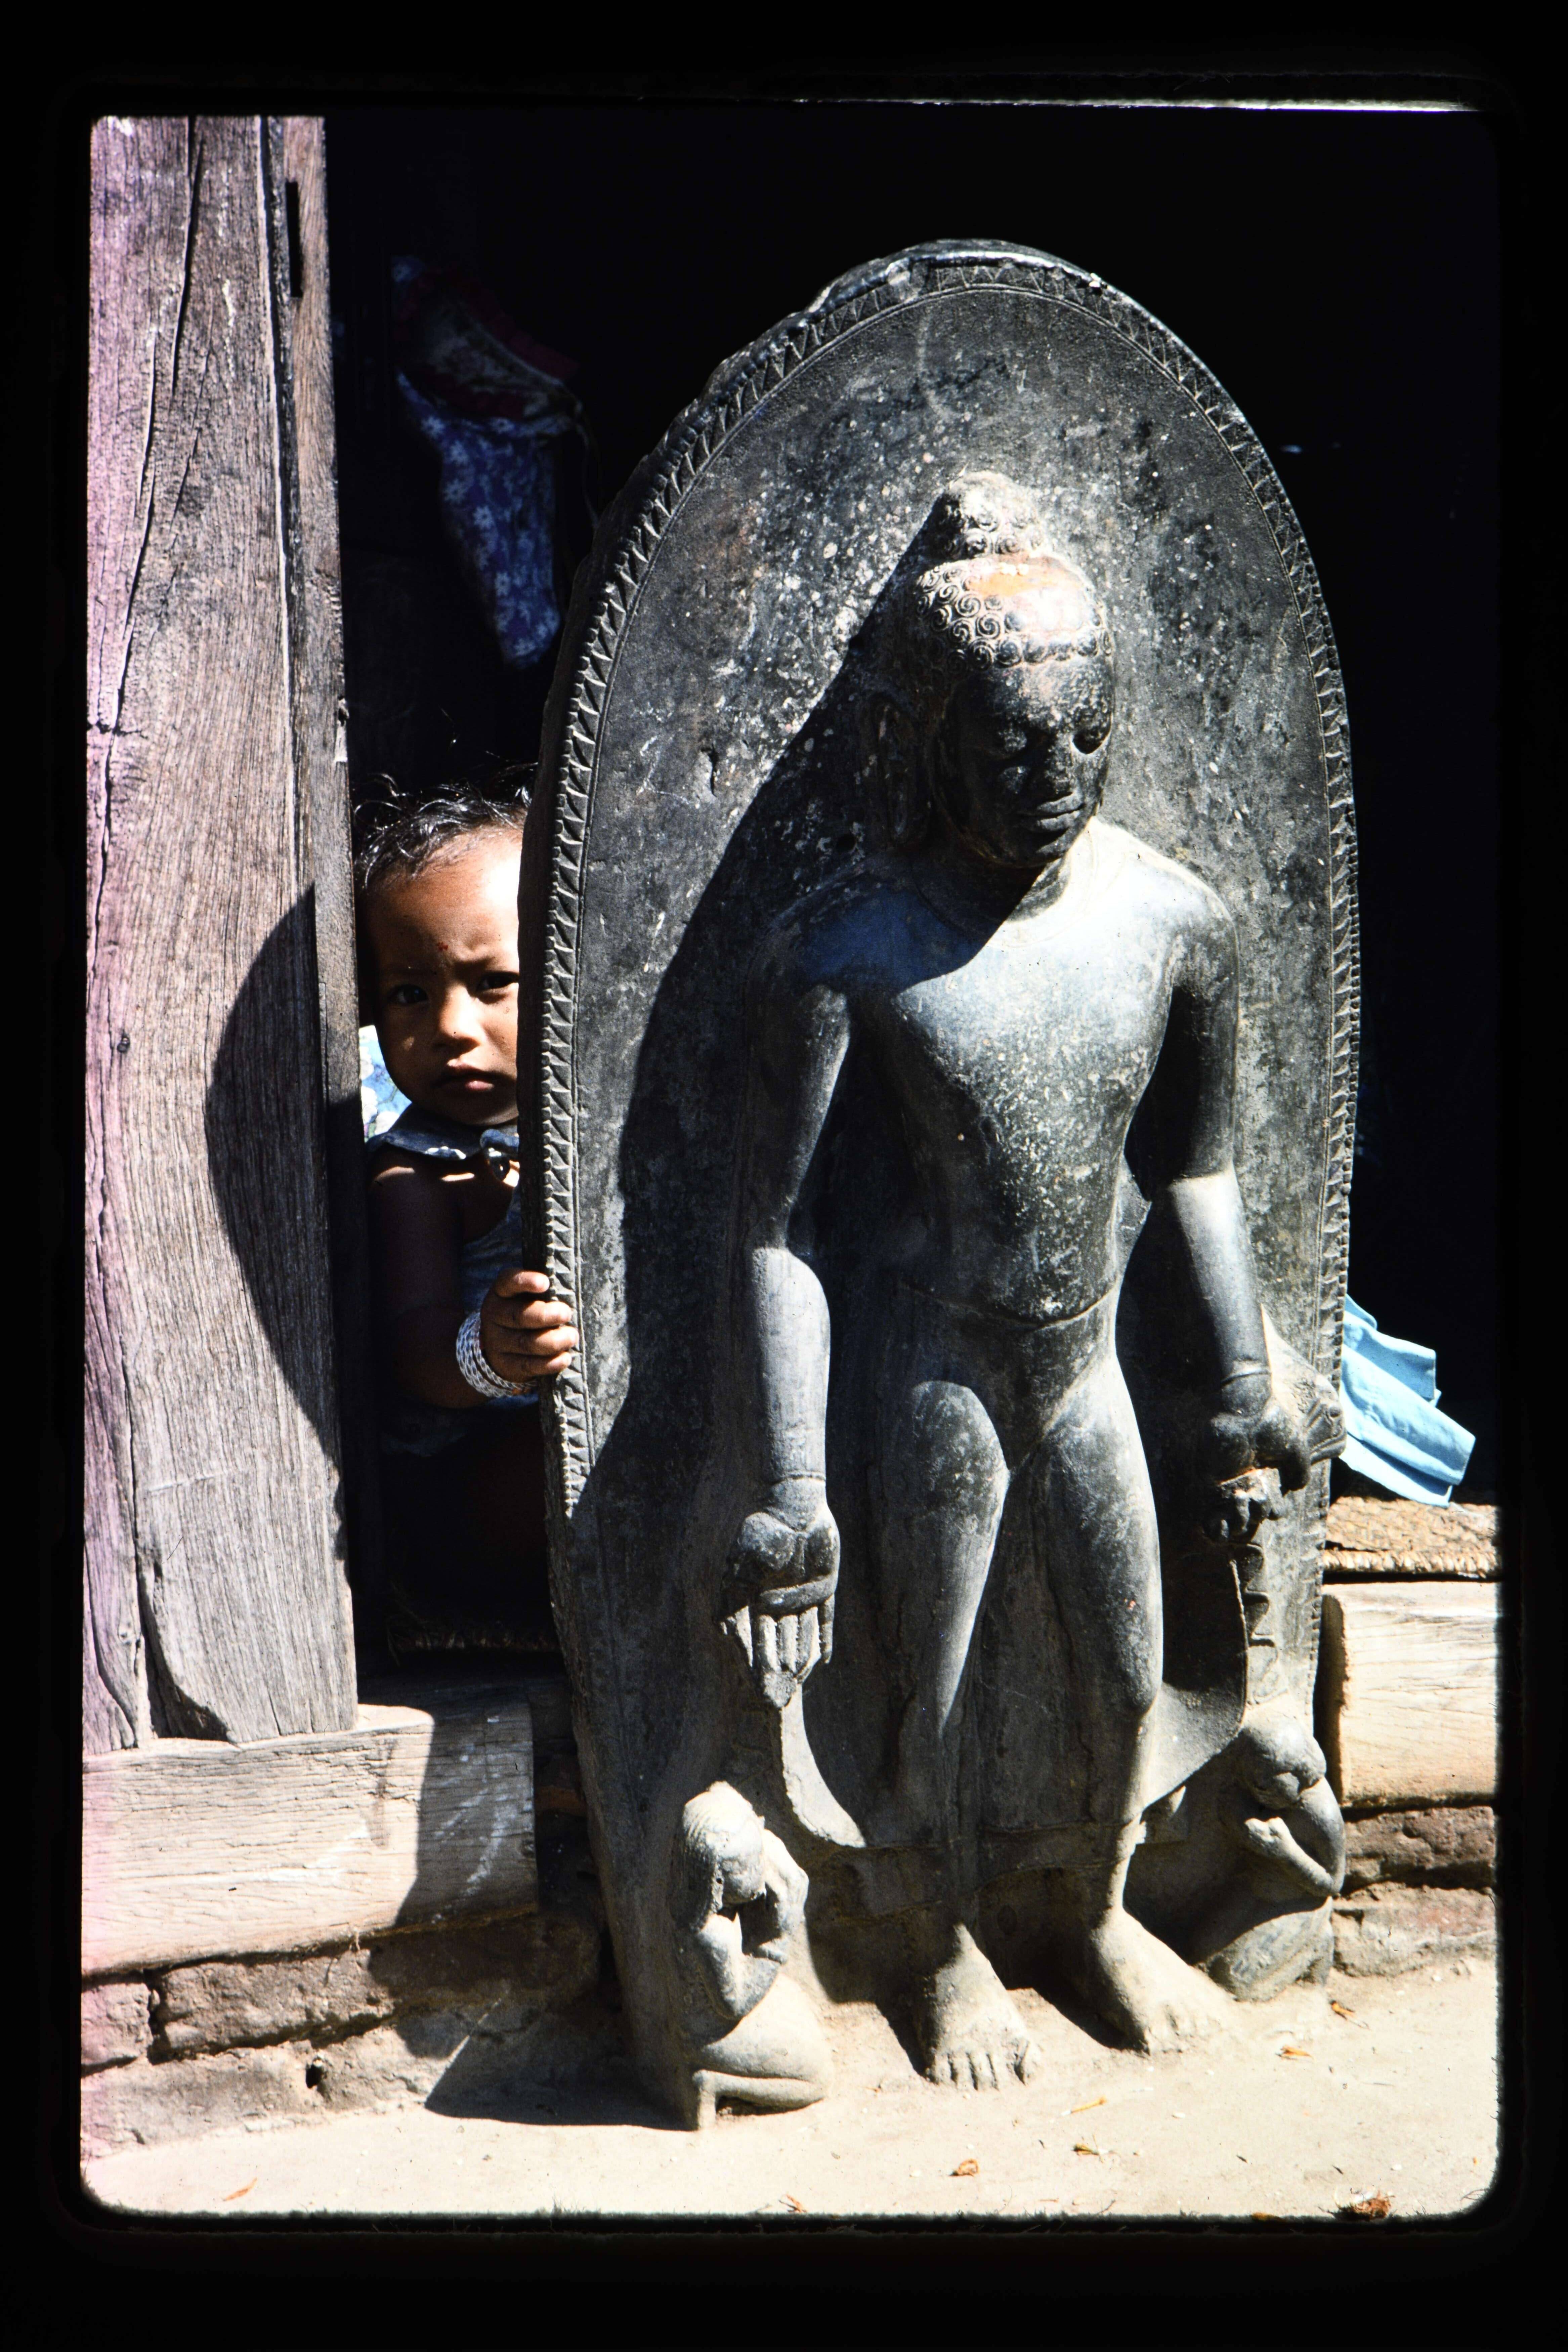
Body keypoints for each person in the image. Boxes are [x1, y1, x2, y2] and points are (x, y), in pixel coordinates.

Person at [725, 473, 1314, 2085]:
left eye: (1085, 740)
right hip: (936, 1368)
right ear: (928, 740)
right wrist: (791, 1488)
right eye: (1006, 746)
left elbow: (1197, 1171)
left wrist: (1244, 1393)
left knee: (1127, 1674)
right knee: (930, 1687)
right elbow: (776, 1230)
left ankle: (1098, 1908)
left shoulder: (1173, 923)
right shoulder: (853, 953)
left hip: (1087, 1361)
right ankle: (941, 1943)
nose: (1052, 779)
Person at [355, 775, 577, 1652]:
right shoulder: (414, 1174)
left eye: (495, 983)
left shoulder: (592, 1135)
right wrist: (490, 1353)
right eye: (410, 993)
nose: (450, 1027)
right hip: (467, 1484)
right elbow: (415, 1352)